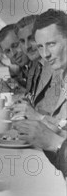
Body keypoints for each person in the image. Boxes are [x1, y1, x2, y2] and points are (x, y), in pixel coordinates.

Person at [14, 10, 67, 170]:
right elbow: (62, 127)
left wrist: (52, 140)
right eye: (40, 47)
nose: (45, 54)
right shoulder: (61, 74)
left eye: (51, 44)